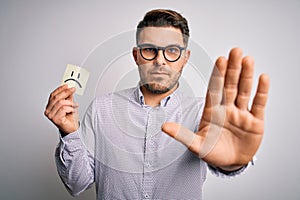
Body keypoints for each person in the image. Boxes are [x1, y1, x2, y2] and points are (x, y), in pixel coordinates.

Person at [44, 9, 270, 199]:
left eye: (172, 50)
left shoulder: (203, 114)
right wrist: (69, 132)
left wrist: (233, 164)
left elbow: (223, 156)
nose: (160, 60)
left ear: (185, 58)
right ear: (136, 56)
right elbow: (76, 185)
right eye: (149, 50)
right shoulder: (101, 109)